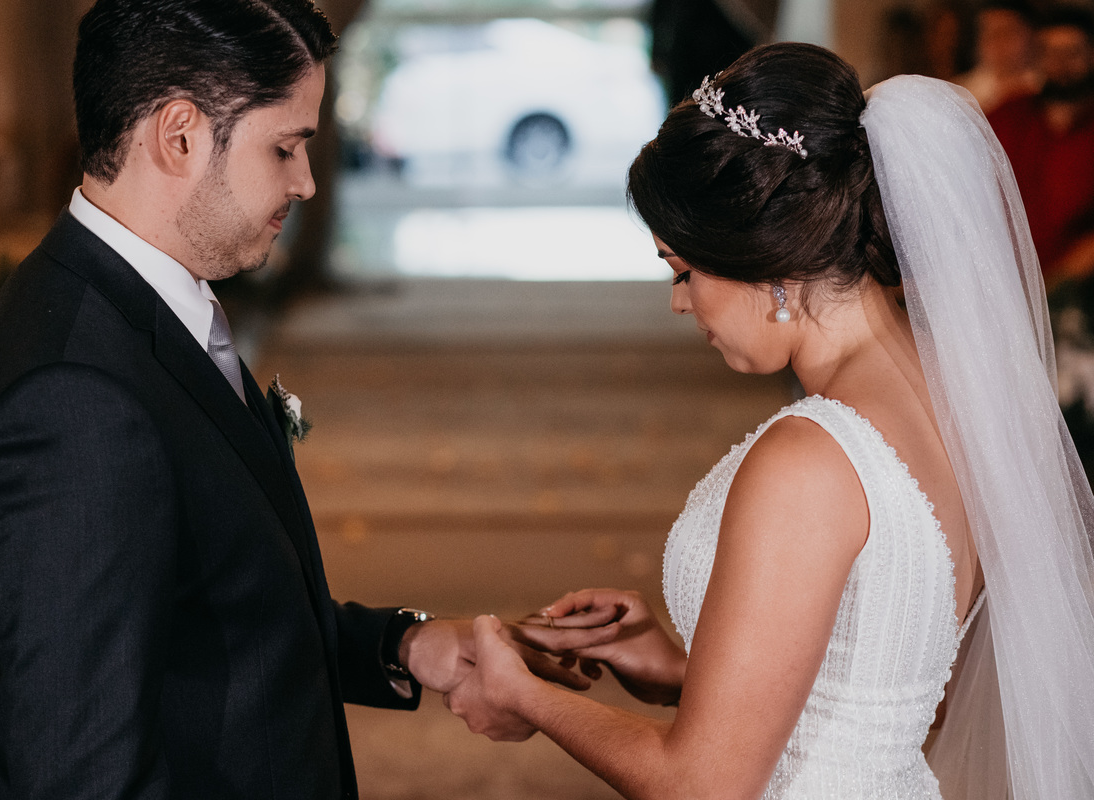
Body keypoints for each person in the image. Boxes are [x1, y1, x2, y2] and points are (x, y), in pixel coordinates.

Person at [0, 2, 601, 798]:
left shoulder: (132, 309)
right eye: (284, 147)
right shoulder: (73, 402)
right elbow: (82, 776)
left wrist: (403, 644)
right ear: (178, 135)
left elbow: (211, 611)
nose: (306, 181)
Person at [443, 42, 1094, 799]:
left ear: (764, 255)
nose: (679, 303)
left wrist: (520, 692)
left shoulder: (813, 456)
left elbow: (701, 786)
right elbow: (893, 686)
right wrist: (687, 669)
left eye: (683, 270)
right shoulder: (953, 394)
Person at [987, 4, 1094, 286]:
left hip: (1074, 289)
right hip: (1001, 280)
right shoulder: (1008, 115)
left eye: (1072, 53)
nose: (1060, 64)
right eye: (1050, 52)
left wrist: (1051, 286)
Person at [955, 0, 1040, 113]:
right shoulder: (960, 94)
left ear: (1032, 36)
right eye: (990, 34)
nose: (999, 42)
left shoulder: (1046, 89)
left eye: (1008, 32)